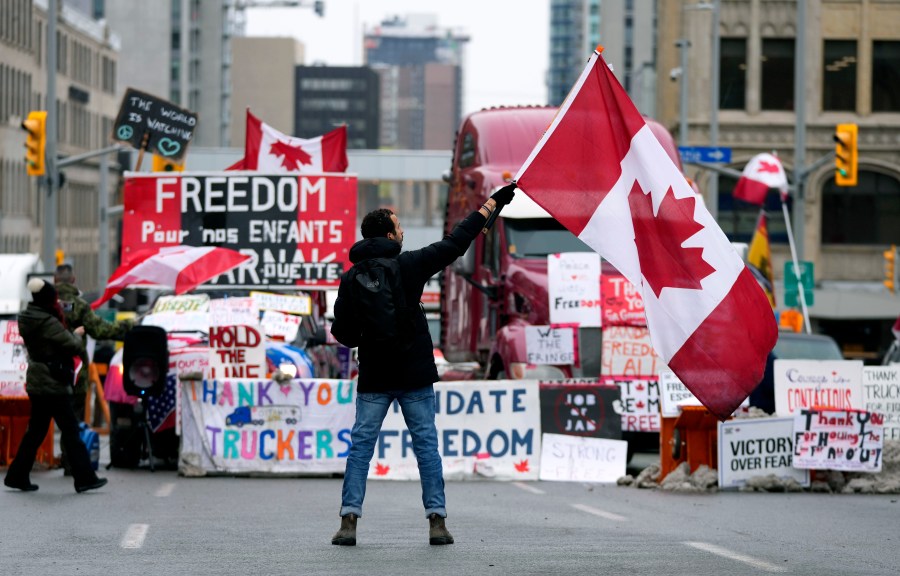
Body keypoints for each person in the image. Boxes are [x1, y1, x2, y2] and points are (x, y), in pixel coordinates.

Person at [329, 182, 518, 546]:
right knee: (426, 447)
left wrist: (369, 335)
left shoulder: (350, 278)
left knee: (361, 448)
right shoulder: (409, 265)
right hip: (414, 375)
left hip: (373, 377)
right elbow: (455, 243)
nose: (403, 233)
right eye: (399, 228)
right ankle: (437, 522)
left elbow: (343, 331)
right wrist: (492, 204)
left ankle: (348, 521)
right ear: (389, 234)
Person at [4, 278, 108, 493]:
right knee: (71, 430)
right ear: (47, 300)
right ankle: (85, 478)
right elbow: (71, 345)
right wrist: (77, 335)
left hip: (36, 379)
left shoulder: (26, 317)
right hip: (52, 382)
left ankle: (17, 475)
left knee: (36, 431)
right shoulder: (48, 322)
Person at [54, 263, 132, 474]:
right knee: (74, 418)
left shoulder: (46, 304)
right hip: (75, 370)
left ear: (54, 281)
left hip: (48, 369)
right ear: (73, 280)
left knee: (42, 420)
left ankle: (24, 464)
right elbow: (100, 329)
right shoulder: (79, 306)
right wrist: (127, 328)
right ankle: (71, 463)